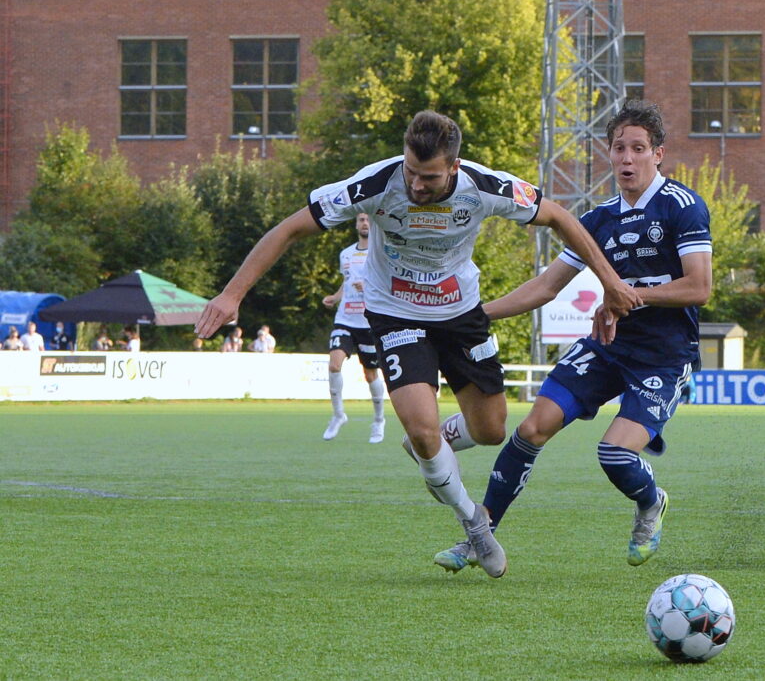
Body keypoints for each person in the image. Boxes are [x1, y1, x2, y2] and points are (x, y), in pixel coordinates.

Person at [194, 109, 640, 579]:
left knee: (491, 429)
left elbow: (560, 218)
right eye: (411, 171)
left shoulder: (485, 187)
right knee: (424, 431)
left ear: (454, 167)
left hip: (461, 313)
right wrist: (232, 294)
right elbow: (288, 228)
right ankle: (473, 521)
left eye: (429, 177)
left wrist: (610, 281)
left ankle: (431, 447)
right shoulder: (374, 184)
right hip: (395, 313)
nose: (416, 185)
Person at [432, 100, 712, 574]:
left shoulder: (682, 206)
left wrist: (626, 297)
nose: (627, 158)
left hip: (663, 357)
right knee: (531, 428)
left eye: (638, 148)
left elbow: (699, 287)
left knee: (614, 455)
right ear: (609, 153)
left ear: (658, 154)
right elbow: (547, 286)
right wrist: (473, 315)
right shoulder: (598, 220)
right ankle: (480, 537)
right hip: (608, 347)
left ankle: (651, 502)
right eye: (619, 148)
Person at [321, 212, 388, 444]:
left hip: (368, 322)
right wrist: (335, 297)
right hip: (345, 319)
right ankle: (338, 415)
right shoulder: (346, 254)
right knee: (334, 364)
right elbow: (346, 281)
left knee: (370, 374)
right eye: (361, 220)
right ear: (356, 224)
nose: (365, 223)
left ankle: (379, 420)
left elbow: (388, 284)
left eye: (368, 219)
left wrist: (368, 287)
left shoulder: (381, 253)